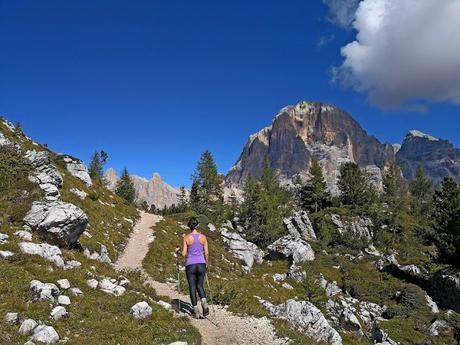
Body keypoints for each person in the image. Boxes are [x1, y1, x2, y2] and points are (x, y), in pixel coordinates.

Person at [177, 217, 209, 318]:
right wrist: (206, 263)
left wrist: (177, 251)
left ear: (189, 226)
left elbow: (184, 254)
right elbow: (207, 253)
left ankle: (195, 311)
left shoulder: (186, 238)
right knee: (200, 285)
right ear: (197, 225)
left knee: (192, 287)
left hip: (190, 264)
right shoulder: (203, 237)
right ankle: (204, 302)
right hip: (201, 263)